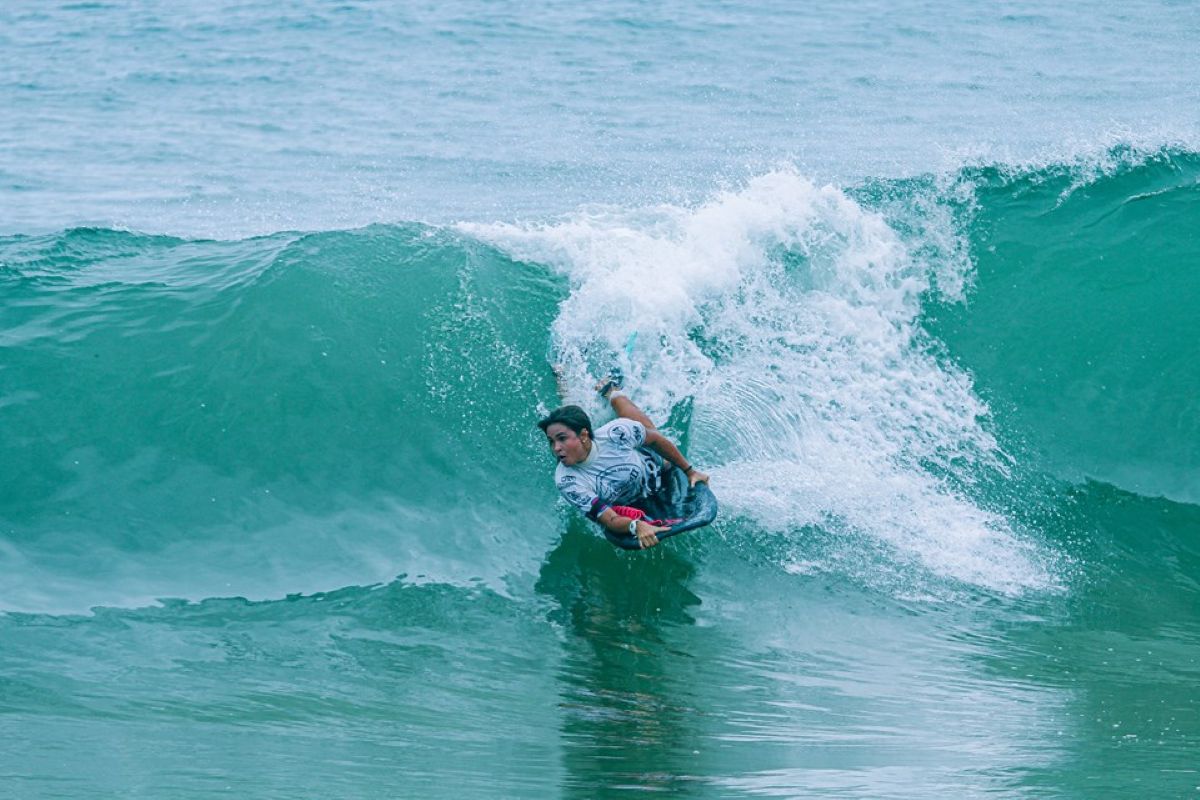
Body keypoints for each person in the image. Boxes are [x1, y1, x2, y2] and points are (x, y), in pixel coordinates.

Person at [538, 378, 710, 549]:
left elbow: (656, 440)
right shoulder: (568, 481)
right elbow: (609, 519)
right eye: (551, 441)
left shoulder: (616, 433)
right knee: (569, 411)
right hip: (626, 505)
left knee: (648, 430)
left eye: (561, 439)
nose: (556, 448)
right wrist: (636, 525)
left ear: (584, 436)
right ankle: (562, 377)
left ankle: (611, 391)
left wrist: (689, 471)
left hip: (653, 467)